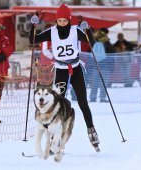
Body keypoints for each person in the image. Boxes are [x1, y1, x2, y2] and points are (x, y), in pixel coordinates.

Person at [29, 4, 100, 151]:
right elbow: (33, 39)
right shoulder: (52, 32)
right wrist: (33, 25)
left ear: (69, 20)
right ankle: (55, 139)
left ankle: (91, 130)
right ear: (57, 20)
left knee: (82, 102)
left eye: (65, 20)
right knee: (57, 105)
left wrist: (87, 29)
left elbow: (91, 42)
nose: (62, 23)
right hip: (61, 70)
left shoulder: (75, 30)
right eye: (59, 20)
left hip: (76, 69)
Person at [89, 28, 115, 102]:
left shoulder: (93, 41)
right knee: (104, 83)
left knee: (94, 82)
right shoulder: (107, 42)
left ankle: (92, 97)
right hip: (106, 67)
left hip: (95, 66)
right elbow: (112, 53)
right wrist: (111, 67)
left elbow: (89, 54)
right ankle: (102, 98)